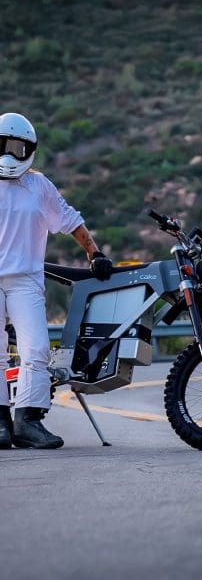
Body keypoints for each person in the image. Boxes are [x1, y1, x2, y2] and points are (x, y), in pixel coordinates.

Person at [0, 112, 113, 449]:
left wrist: (95, 254)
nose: (7, 154)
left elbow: (71, 220)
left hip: (25, 280)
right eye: (1, 145)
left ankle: (27, 422)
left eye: (15, 147)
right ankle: (0, 425)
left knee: (35, 349)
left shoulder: (38, 185)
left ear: (29, 150)